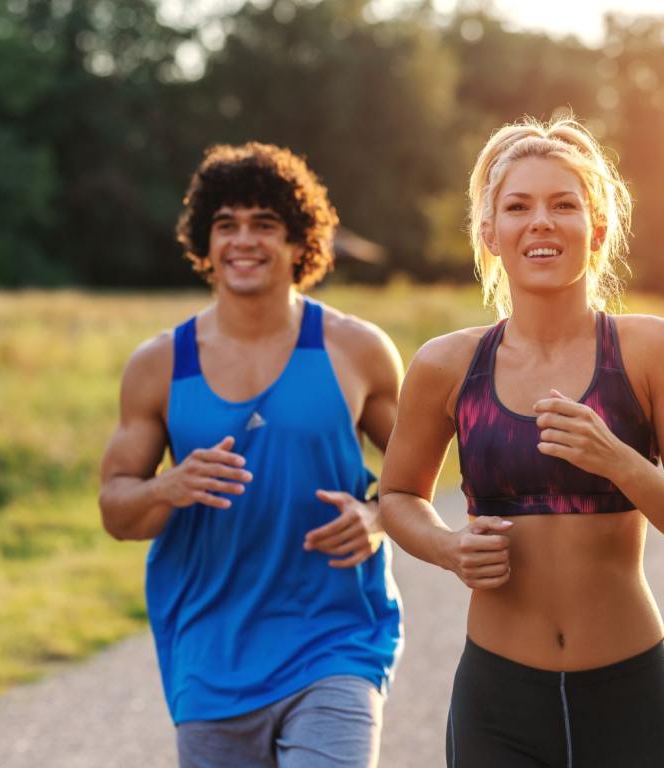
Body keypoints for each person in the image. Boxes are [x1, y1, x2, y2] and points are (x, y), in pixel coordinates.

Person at [380, 117, 664, 767]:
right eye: (518, 206)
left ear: (596, 230)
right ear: (489, 234)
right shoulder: (446, 365)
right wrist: (447, 546)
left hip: (629, 694)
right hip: (499, 698)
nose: (541, 221)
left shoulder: (655, 352)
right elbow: (398, 494)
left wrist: (619, 461)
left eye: (564, 204)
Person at [98, 142, 403, 768]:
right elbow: (115, 509)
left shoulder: (358, 350)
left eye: (265, 224)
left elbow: (418, 478)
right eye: (226, 225)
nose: (244, 240)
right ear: (204, 244)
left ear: (300, 244)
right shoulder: (158, 365)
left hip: (336, 636)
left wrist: (376, 517)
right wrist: (166, 487)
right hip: (212, 651)